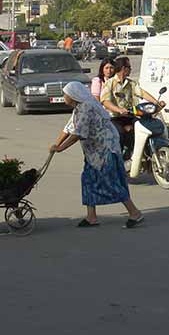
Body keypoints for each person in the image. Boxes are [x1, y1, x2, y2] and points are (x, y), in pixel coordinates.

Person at [49, 81, 144, 228]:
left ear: (73, 95)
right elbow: (69, 128)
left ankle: (134, 213)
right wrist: (56, 144)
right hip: (93, 152)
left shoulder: (86, 107)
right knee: (88, 180)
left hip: (105, 150)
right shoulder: (79, 108)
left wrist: (61, 148)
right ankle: (91, 217)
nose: (64, 97)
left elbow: (78, 133)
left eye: (65, 94)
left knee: (111, 182)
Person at [100, 56, 140, 160]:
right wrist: (119, 110)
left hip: (129, 116)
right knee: (120, 134)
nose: (131, 69)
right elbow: (105, 101)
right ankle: (119, 159)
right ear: (123, 68)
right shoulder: (110, 83)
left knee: (141, 128)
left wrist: (156, 102)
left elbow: (142, 93)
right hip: (113, 118)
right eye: (129, 67)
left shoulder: (131, 83)